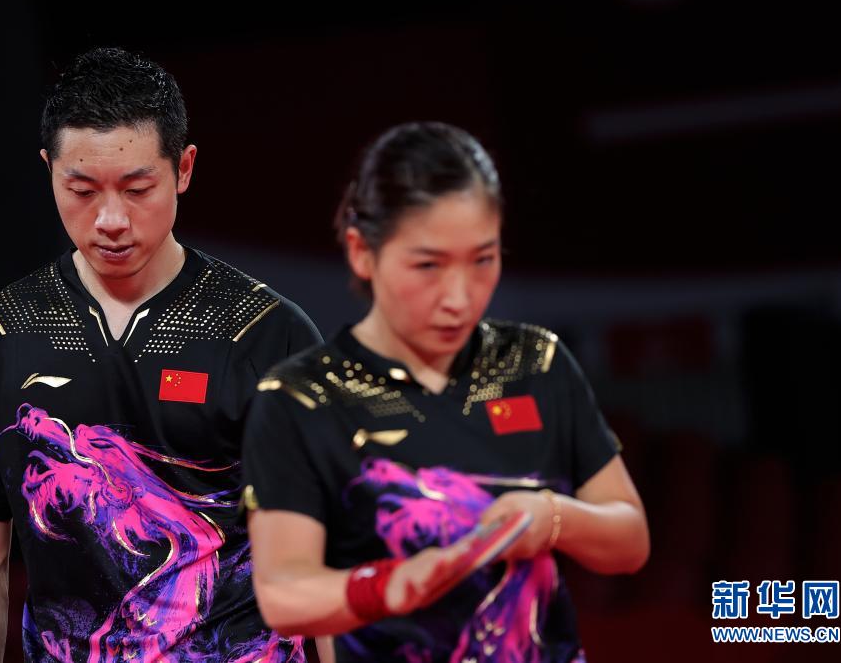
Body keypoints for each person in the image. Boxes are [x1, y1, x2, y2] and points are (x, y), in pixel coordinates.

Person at [0, 47, 320, 663]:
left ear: (184, 169)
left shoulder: (266, 334)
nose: (110, 219)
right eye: (81, 189)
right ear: (49, 170)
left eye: (138, 189)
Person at [242, 122, 650, 662]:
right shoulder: (302, 397)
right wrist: (393, 586)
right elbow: (282, 594)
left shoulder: (536, 362)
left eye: (483, 259)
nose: (459, 297)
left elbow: (630, 541)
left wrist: (553, 516)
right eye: (428, 265)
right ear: (362, 252)